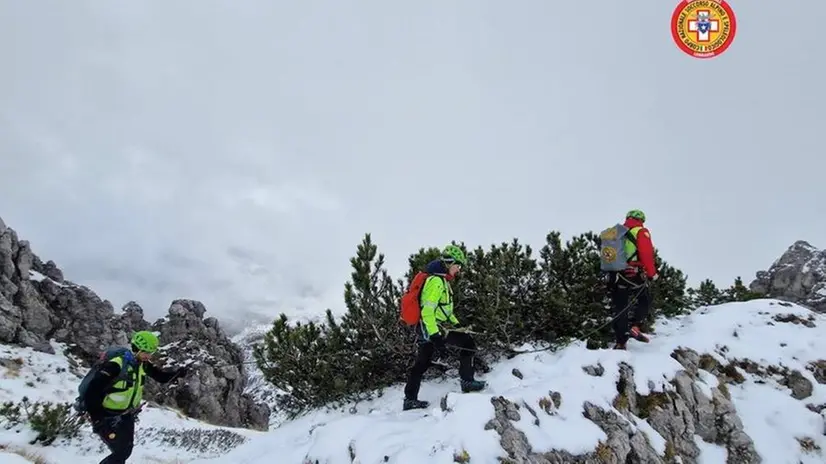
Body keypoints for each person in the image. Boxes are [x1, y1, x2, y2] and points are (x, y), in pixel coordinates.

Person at [81, 331, 188, 464]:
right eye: (146, 352)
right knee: (121, 452)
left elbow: (160, 377)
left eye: (151, 352)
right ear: (136, 348)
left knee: (125, 450)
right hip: (106, 416)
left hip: (126, 415)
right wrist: (97, 418)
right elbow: (92, 391)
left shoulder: (143, 364)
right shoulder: (116, 365)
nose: (148, 355)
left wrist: (177, 373)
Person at [402, 244, 486, 411]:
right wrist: (436, 336)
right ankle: (467, 382)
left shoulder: (441, 280)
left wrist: (457, 325)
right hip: (433, 328)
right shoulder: (436, 282)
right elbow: (428, 311)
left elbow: (444, 310)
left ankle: (409, 400)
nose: (459, 269)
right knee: (468, 344)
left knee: (422, 363)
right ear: (449, 263)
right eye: (458, 265)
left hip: (429, 327)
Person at [606, 209, 658, 350]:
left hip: (616, 275)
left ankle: (621, 342)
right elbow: (646, 254)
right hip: (634, 274)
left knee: (620, 308)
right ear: (641, 220)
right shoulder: (641, 232)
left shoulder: (614, 232)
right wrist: (652, 273)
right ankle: (635, 326)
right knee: (644, 300)